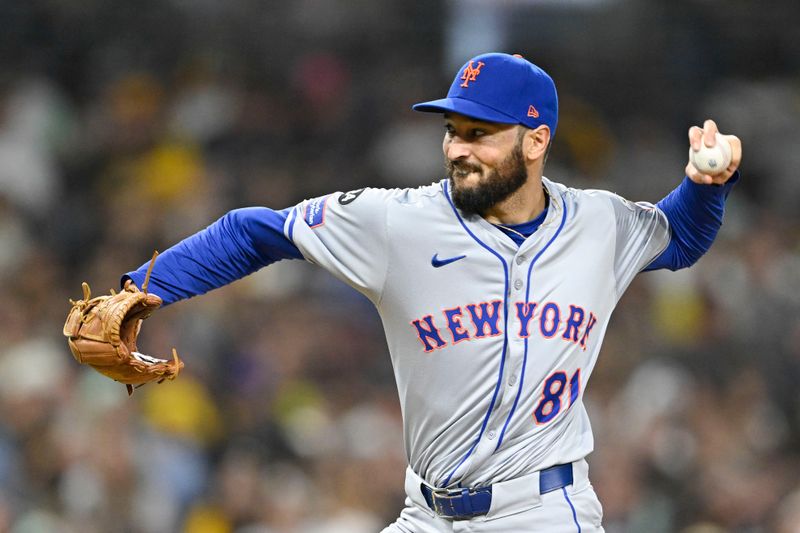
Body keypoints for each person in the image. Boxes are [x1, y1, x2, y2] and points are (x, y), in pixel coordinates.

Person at [120, 53, 741, 532]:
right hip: (427, 511)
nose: (456, 149)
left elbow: (678, 237)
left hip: (543, 513)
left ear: (536, 140)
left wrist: (705, 185)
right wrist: (139, 291)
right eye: (452, 130)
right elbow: (254, 232)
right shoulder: (397, 222)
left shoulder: (598, 223)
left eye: (479, 133)